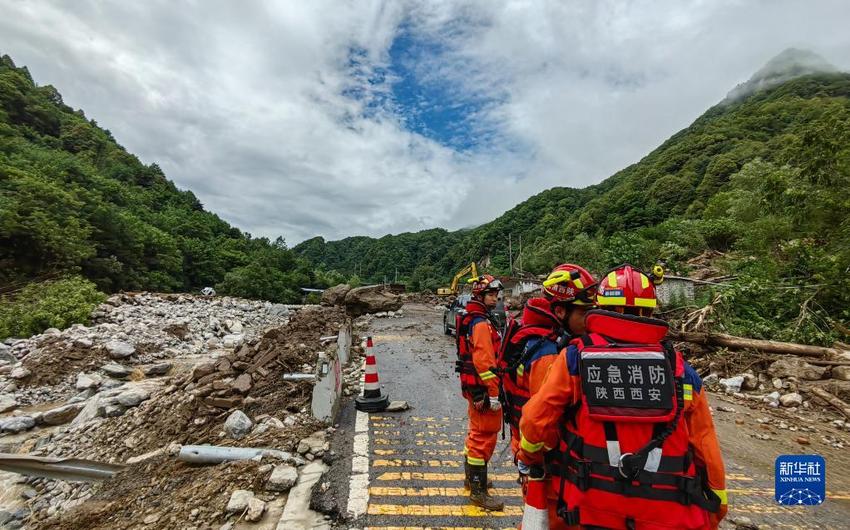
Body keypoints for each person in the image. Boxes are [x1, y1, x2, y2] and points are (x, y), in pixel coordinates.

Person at [518, 264, 727, 529]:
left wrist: (530, 457)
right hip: (668, 517)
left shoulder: (574, 359)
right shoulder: (680, 371)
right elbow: (707, 451)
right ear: (651, 311)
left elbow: (535, 422)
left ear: (601, 307)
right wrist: (715, 508)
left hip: (589, 511)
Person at [500, 264, 597, 529]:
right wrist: (531, 460)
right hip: (545, 460)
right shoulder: (548, 353)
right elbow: (542, 421)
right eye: (584, 312)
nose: (591, 319)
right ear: (560, 311)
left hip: (530, 450)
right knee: (548, 520)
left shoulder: (539, 338)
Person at [455, 274, 505, 510]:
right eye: (492, 294)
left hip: (474, 388)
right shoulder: (481, 323)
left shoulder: (471, 317)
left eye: (496, 294)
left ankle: (472, 479)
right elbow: (485, 362)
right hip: (483, 390)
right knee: (483, 437)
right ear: (480, 296)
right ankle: (478, 491)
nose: (496, 298)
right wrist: (494, 394)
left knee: (475, 433)